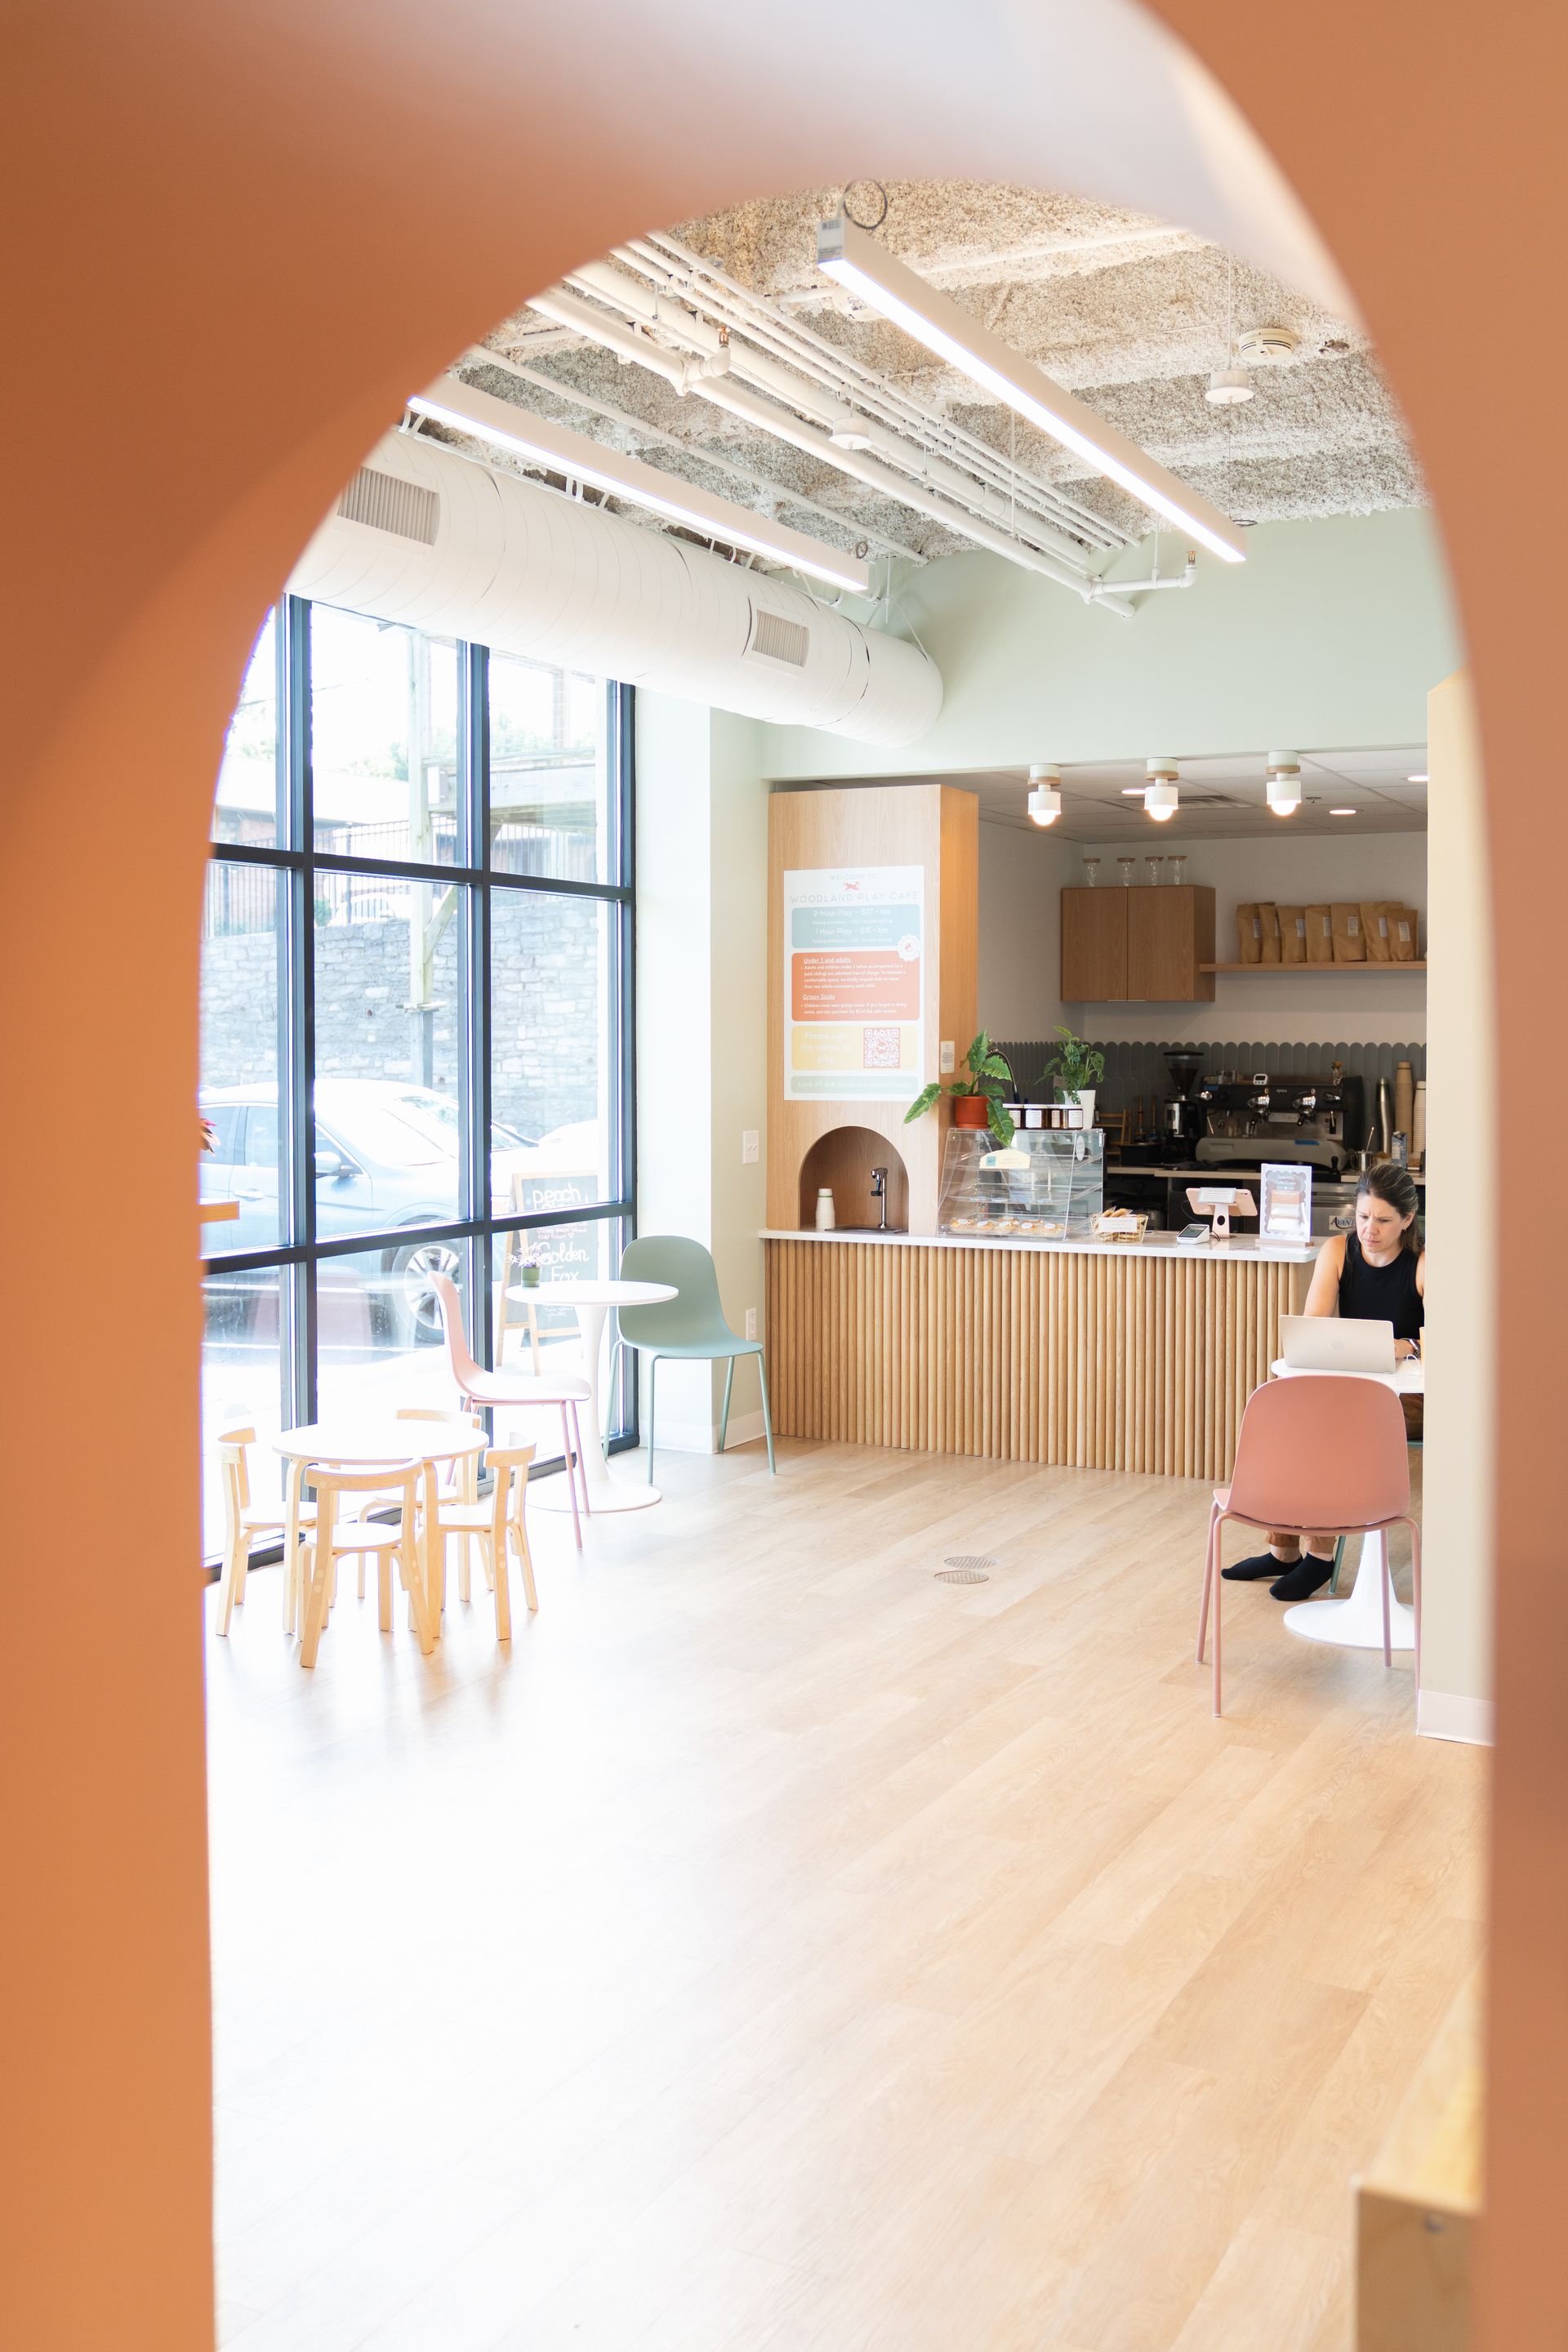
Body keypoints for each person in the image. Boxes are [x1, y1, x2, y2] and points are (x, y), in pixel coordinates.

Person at [1223, 1161, 1424, 1600]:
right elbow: (1313, 1327)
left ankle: (1321, 1558)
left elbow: (1449, 1339)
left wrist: (1407, 1345)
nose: (1370, 1229)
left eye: (1384, 1220)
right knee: (1285, 1418)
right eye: (1364, 1216)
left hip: (1408, 1399)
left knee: (1333, 1427)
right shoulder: (1338, 1251)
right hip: (1351, 1389)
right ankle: (1283, 1553)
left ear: (1407, 1220)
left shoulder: (1423, 1264)